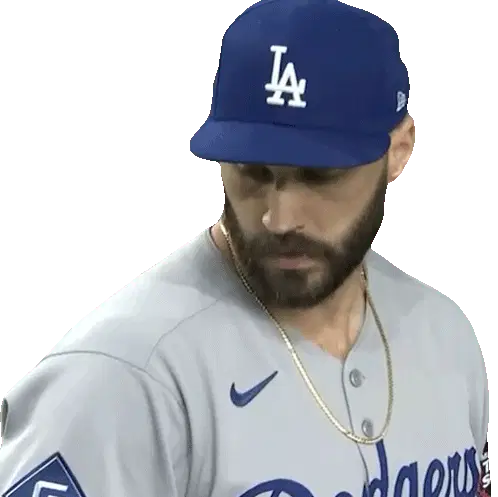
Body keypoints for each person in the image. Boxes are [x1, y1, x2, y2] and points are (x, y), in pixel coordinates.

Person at [0, 0, 491, 495]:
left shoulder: (444, 334)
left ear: (399, 151)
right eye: (252, 171)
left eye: (321, 175)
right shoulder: (120, 379)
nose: (279, 217)